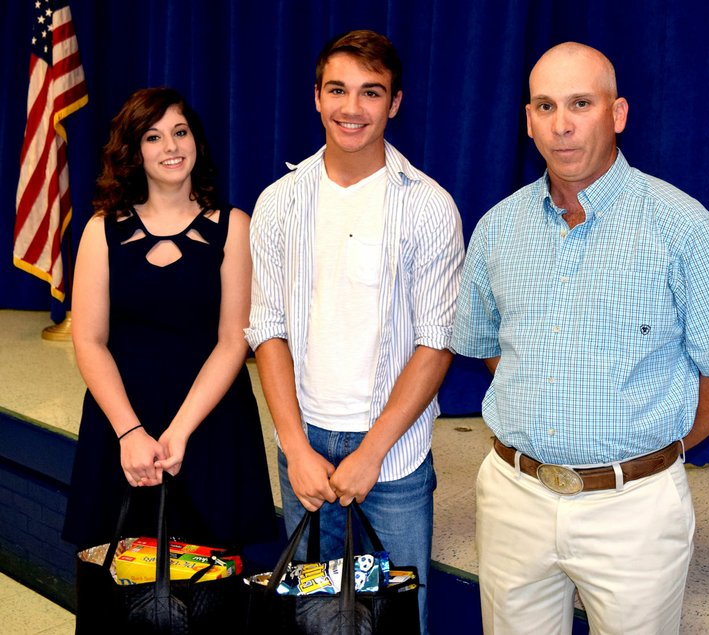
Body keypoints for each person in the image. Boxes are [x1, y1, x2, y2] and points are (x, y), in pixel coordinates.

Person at [450, 42, 709, 634]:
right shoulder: (497, 228)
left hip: (635, 509)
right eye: (545, 106)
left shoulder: (684, 229)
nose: (562, 125)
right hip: (513, 497)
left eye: (580, 104)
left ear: (617, 113)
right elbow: (493, 346)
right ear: (528, 120)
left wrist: (656, 448)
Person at [245, 30, 464, 633]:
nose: (352, 108)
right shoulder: (278, 203)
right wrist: (294, 448)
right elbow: (267, 331)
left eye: (371, 93)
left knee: (396, 621)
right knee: (313, 621)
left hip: (392, 457)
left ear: (395, 104)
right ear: (316, 97)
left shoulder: (429, 206)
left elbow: (436, 342)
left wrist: (372, 454)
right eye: (338, 90)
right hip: (306, 451)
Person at [62, 87, 277, 567]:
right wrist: (131, 433)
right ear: (133, 152)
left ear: (196, 140)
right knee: (118, 583)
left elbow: (231, 342)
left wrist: (178, 433)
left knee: (212, 589)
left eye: (180, 132)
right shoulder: (102, 229)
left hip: (209, 424)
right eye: (153, 137)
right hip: (121, 422)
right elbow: (89, 341)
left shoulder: (234, 226)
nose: (171, 147)